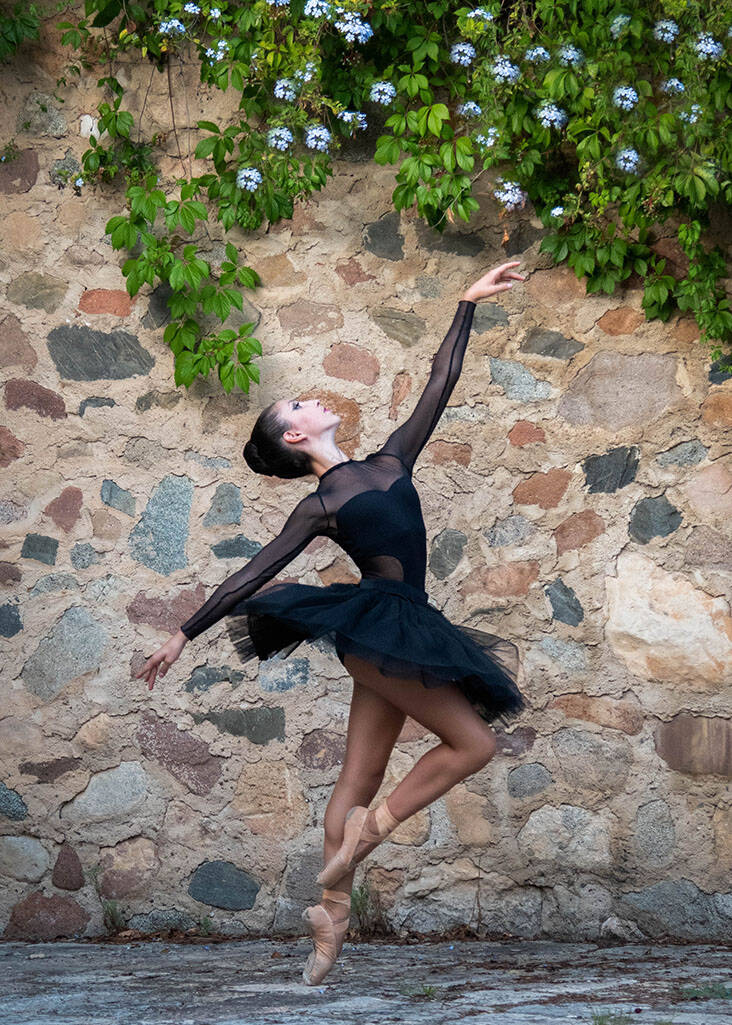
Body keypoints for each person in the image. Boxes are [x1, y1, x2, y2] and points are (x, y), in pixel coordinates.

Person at [136, 260, 527, 985]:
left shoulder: (389, 460)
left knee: (362, 773)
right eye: (299, 404)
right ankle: (354, 850)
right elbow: (252, 572)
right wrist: (183, 632)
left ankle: (329, 916)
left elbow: (440, 383)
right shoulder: (320, 504)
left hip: (403, 626)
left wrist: (466, 302)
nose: (312, 399)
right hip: (379, 626)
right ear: (293, 436)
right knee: (472, 743)